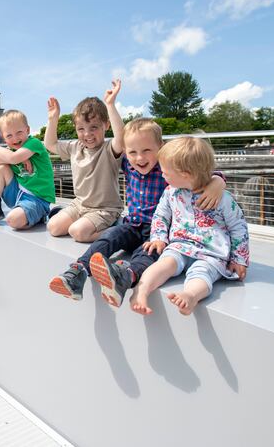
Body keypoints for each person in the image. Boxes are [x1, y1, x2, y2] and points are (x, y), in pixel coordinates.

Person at [49, 118, 226, 304]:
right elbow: (117, 139)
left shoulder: (168, 170)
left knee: (146, 254)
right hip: (132, 225)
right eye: (132, 152)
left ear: (161, 147)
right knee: (109, 237)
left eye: (147, 151)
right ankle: (78, 271)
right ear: (125, 152)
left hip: (159, 233)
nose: (139, 158)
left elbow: (197, 171)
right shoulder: (127, 164)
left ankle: (125, 276)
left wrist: (218, 180)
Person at [131, 137, 249, 316]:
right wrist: (158, 237)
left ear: (184, 174)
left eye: (165, 173)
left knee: (202, 274)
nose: (162, 175)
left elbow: (238, 227)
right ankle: (141, 291)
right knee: (164, 264)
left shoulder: (223, 199)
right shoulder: (171, 192)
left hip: (210, 253)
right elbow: (161, 215)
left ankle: (190, 295)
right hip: (180, 246)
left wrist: (238, 259)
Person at [44, 80, 125, 242]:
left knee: (78, 232)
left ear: (106, 125)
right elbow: (50, 144)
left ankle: (119, 231)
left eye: (94, 127)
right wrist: (53, 119)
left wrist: (110, 105)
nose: (87, 134)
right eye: (81, 129)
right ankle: (87, 223)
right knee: (53, 227)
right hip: (80, 205)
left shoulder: (109, 149)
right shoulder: (75, 147)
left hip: (105, 209)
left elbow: (122, 138)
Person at [0, 109, 55, 229]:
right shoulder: (11, 149)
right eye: (9, 135)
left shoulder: (34, 143)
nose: (15, 139)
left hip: (37, 199)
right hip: (18, 193)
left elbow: (12, 158)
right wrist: (18, 158)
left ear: (27, 130)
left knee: (13, 220)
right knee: (0, 168)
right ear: (4, 137)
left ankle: (41, 214)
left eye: (19, 132)